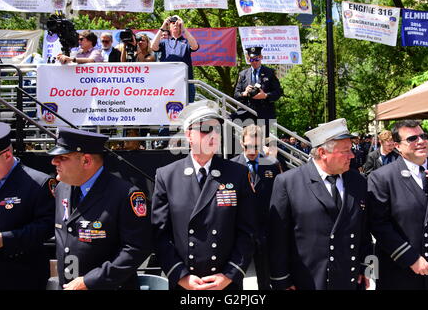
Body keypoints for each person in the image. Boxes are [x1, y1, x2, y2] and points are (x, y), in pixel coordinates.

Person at [151, 100, 256, 290]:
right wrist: (180, 275)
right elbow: (160, 234)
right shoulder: (167, 176)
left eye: (217, 130)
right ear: (189, 135)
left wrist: (229, 275)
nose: (214, 135)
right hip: (185, 283)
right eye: (206, 129)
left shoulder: (237, 174)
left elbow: (247, 232)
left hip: (226, 283)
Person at [269, 118, 372, 290]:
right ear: (323, 153)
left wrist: (367, 268)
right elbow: (277, 237)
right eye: (346, 151)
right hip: (308, 281)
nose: (352, 156)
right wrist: (281, 280)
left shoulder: (357, 181)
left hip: (350, 280)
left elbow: (364, 229)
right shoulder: (289, 182)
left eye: (351, 150)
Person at [48, 127, 152, 290]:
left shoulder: (125, 194)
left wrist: (90, 281)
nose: (54, 162)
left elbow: (137, 248)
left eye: (63, 157)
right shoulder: (62, 188)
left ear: (86, 161)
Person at [367, 119, 428, 290]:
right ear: (397, 146)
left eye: (423, 136)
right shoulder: (382, 177)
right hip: (401, 271)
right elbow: (378, 224)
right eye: (412, 139)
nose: (421, 141)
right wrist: (410, 257)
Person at [0, 122, 56, 290]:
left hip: (20, 275)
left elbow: (48, 226)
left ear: (7, 155)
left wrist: (5, 239)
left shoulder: (38, 182)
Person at [231, 125, 281, 290]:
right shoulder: (231, 167)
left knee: (265, 279)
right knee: (235, 277)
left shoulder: (272, 165)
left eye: (256, 147)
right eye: (248, 146)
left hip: (264, 231)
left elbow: (279, 195)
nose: (252, 151)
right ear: (241, 143)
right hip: (239, 231)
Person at [232, 47, 282, 135]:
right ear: (248, 59)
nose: (254, 62)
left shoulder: (270, 72)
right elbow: (236, 94)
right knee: (247, 144)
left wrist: (265, 95)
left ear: (261, 57)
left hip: (266, 114)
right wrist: (244, 93)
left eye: (256, 59)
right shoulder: (243, 74)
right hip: (247, 114)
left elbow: (278, 92)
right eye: (251, 59)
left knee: (270, 145)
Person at [151, 15, 199, 103]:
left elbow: (195, 46)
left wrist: (184, 28)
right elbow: (153, 46)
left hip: (185, 82)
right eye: (173, 23)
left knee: (187, 110)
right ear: (169, 27)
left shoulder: (186, 41)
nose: (176, 25)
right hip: (167, 83)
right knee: (166, 109)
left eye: (178, 23)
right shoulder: (165, 42)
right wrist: (162, 27)